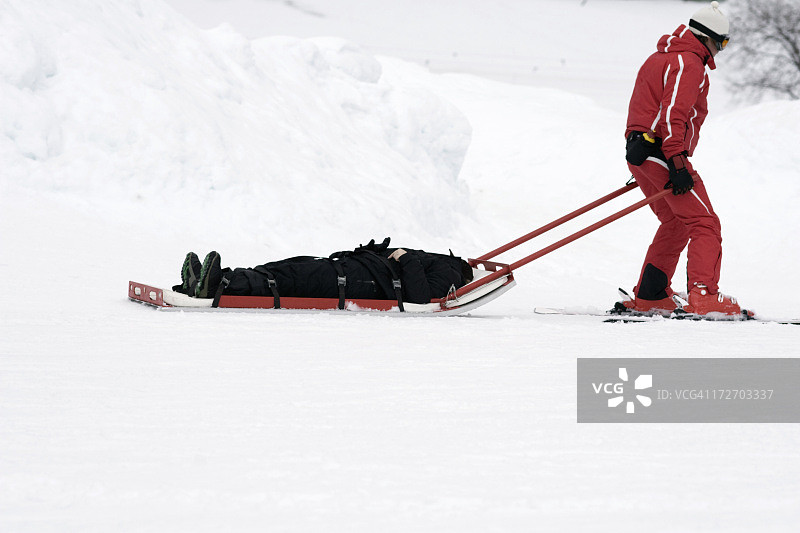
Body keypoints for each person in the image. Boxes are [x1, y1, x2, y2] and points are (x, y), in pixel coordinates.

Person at [620, 1, 744, 317]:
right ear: (709, 38)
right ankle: (704, 296)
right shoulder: (688, 63)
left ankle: (651, 295)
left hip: (641, 151)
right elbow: (674, 112)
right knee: (704, 223)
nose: (721, 50)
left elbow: (648, 108)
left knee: (676, 222)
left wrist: (646, 157)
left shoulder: (660, 58)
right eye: (722, 43)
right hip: (663, 152)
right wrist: (676, 161)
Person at [175, 238, 473, 307]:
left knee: (289, 279)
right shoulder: (441, 263)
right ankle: (215, 280)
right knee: (286, 269)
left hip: (360, 282)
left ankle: (216, 285)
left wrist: (406, 259)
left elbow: (420, 297)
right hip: (351, 269)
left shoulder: (451, 273)